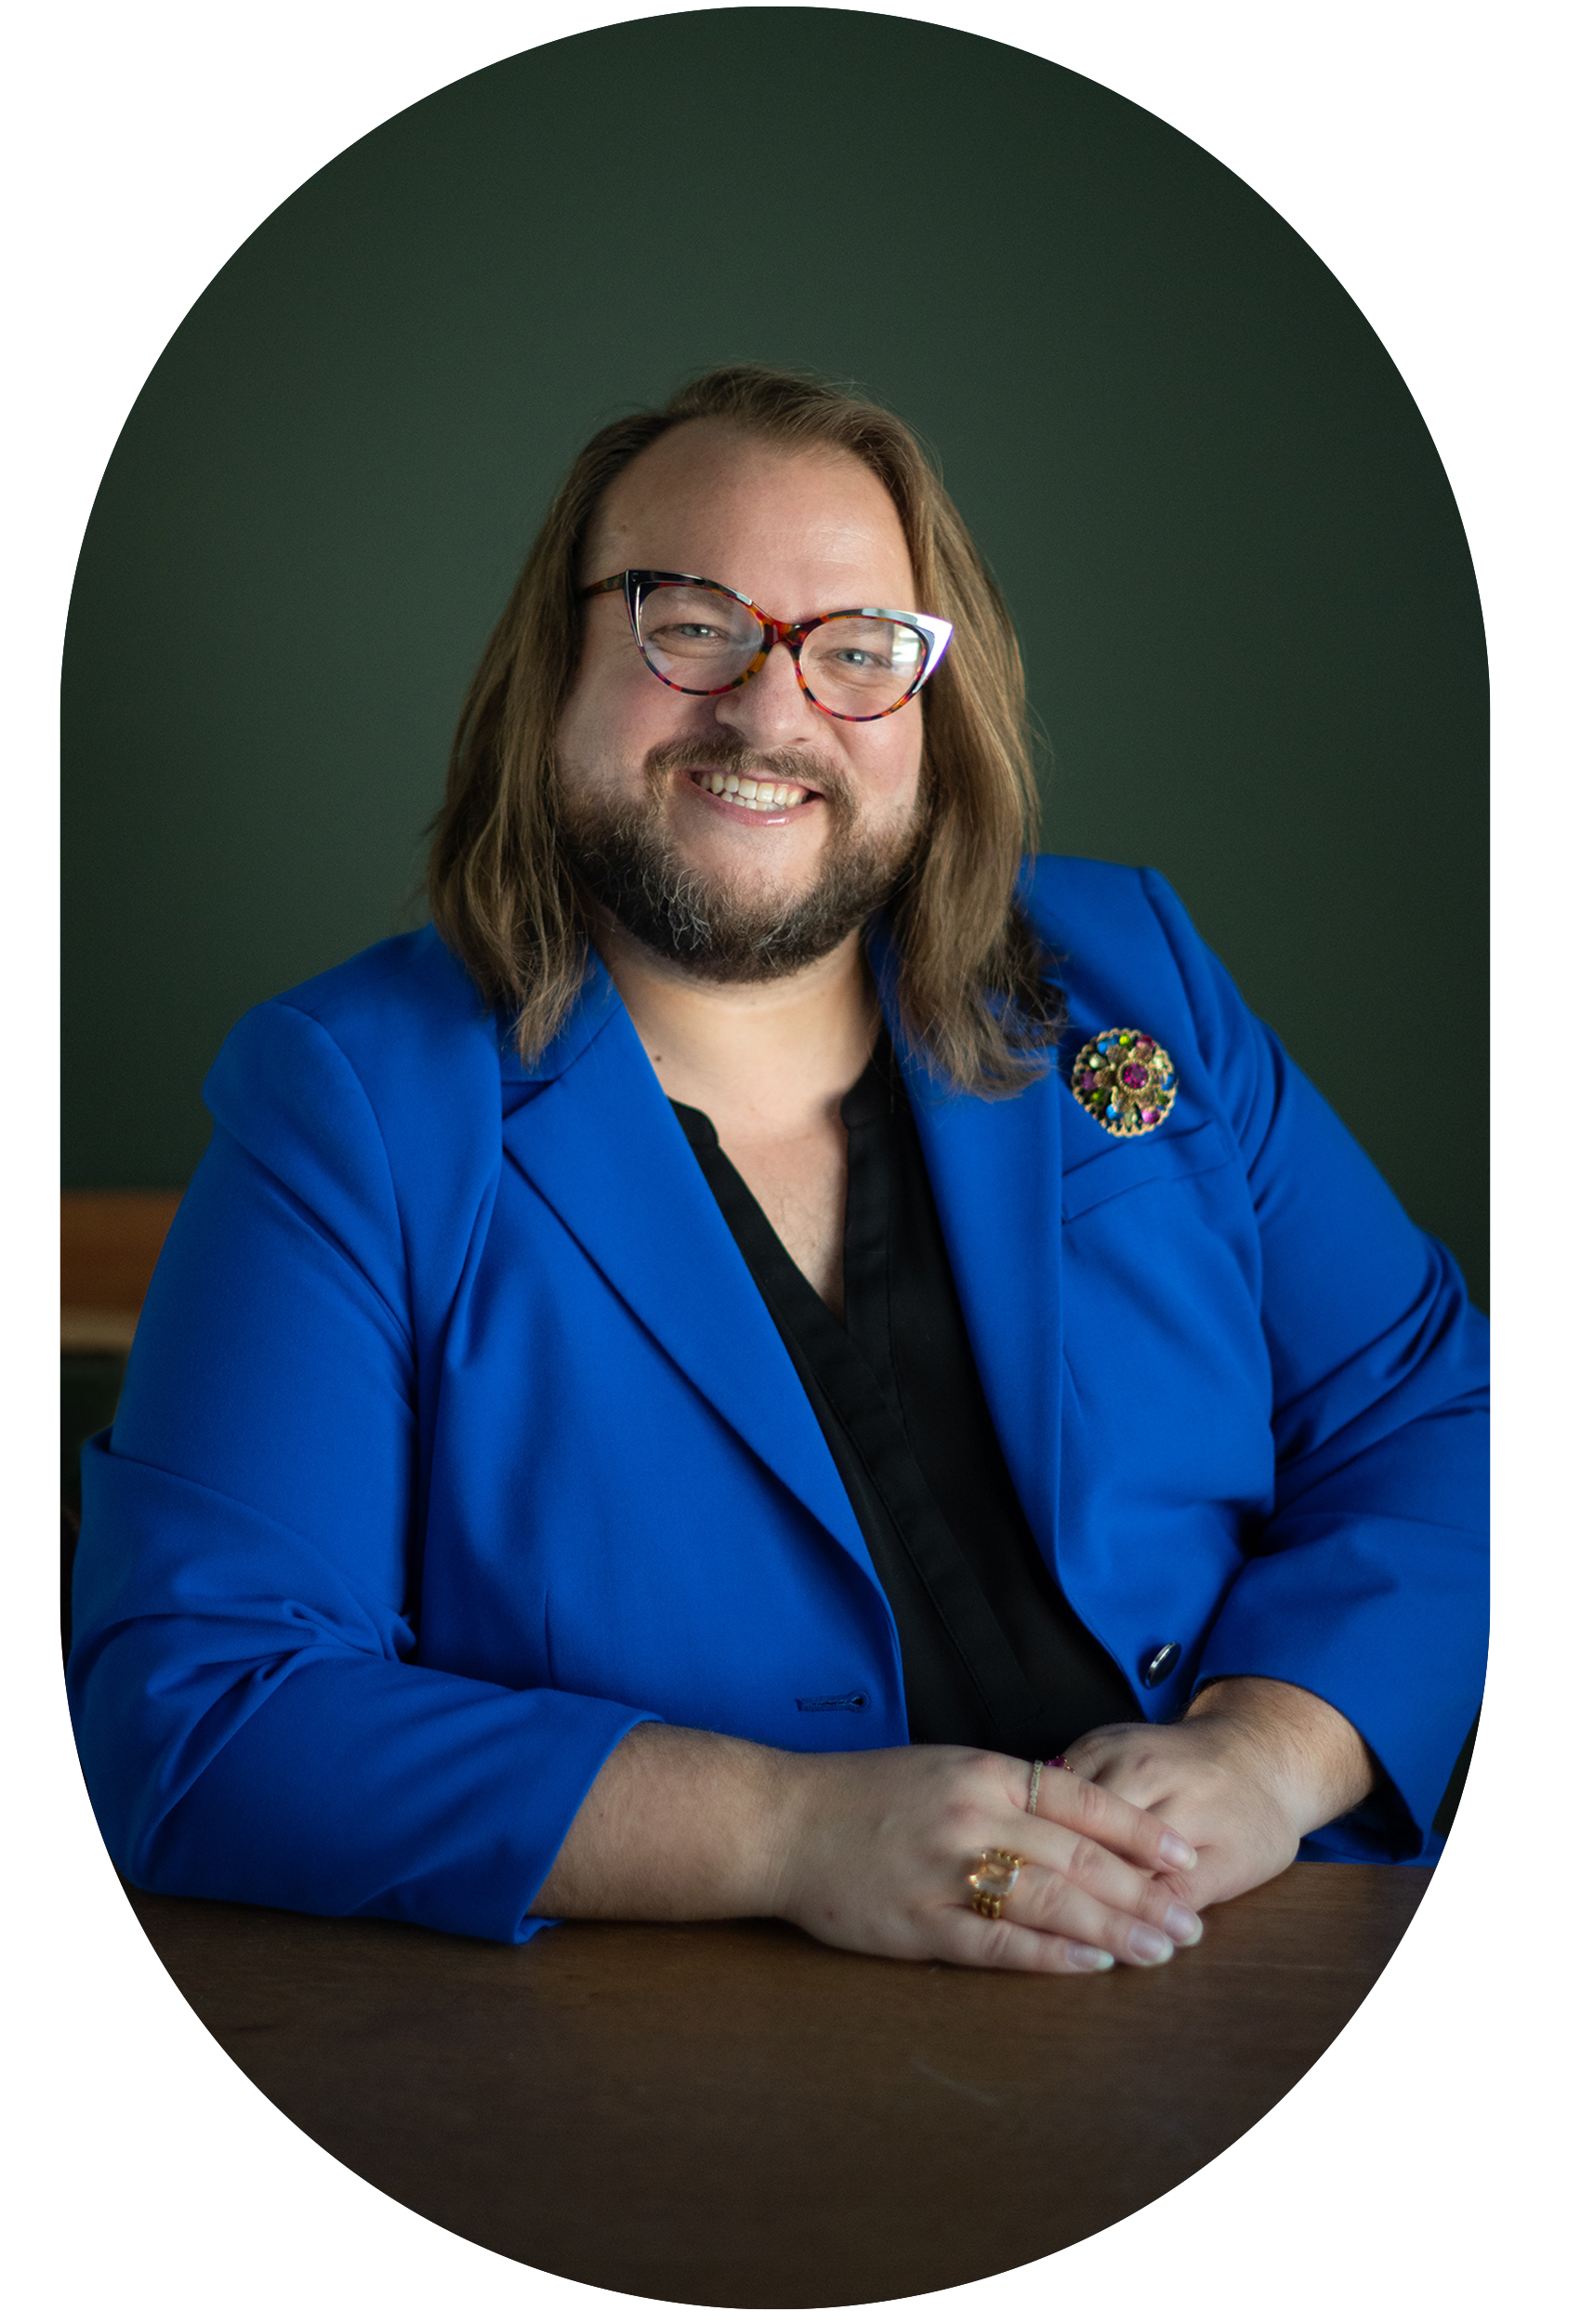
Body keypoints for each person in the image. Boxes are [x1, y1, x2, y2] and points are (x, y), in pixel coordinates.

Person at [68, 365, 1488, 1977]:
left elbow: (1440, 1414)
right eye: (691, 620)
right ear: (556, 664)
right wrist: (777, 1827)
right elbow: (201, 1709)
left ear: (932, 709)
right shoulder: (353, 1105)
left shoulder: (1131, 974)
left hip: (1225, 1972)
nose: (768, 710)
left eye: (857, 650)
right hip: (689, 2075)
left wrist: (1271, 1752)